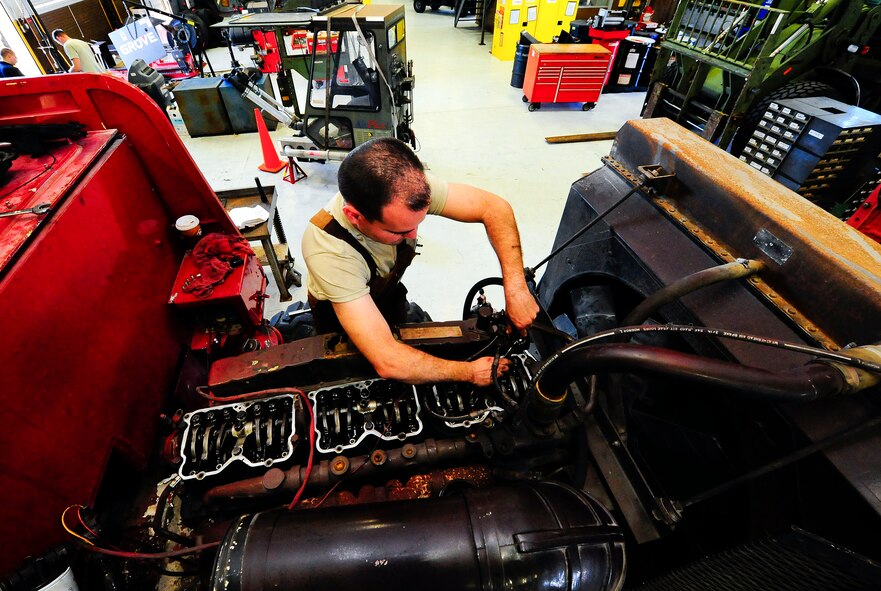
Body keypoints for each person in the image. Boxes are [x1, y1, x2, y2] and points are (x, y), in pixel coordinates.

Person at [302, 137, 539, 387]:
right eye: (400, 232)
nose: (413, 236)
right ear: (355, 216)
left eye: (418, 224)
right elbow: (388, 360)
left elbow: (495, 208)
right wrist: (469, 372)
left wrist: (516, 288)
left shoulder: (405, 189)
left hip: (386, 295)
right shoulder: (328, 249)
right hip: (340, 320)